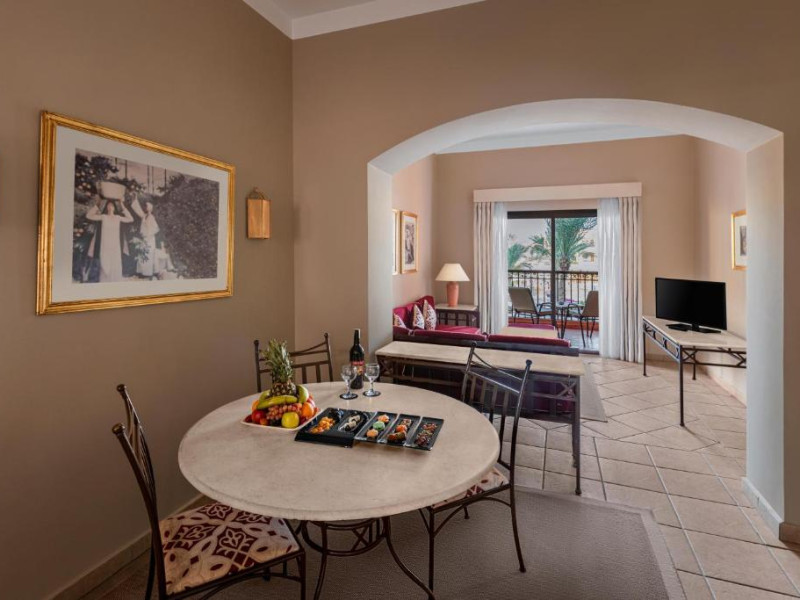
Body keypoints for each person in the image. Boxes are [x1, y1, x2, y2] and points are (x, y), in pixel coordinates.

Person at [85, 197, 134, 282]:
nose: (110, 207)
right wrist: (98, 204)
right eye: (108, 205)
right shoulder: (103, 217)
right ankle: (104, 282)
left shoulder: (118, 217)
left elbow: (130, 219)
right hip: (105, 244)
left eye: (112, 205)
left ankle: (115, 281)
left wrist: (121, 204)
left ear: (114, 208)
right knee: (105, 263)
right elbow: (88, 216)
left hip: (115, 245)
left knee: (115, 263)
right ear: (106, 208)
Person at [130, 193, 160, 279]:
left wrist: (148, 235)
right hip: (145, 238)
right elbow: (137, 209)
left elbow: (155, 229)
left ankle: (148, 272)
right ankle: (142, 271)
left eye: (147, 206)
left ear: (150, 208)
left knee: (149, 254)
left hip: (150, 239)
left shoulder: (151, 217)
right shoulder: (144, 216)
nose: (145, 208)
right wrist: (134, 200)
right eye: (145, 206)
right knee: (142, 254)